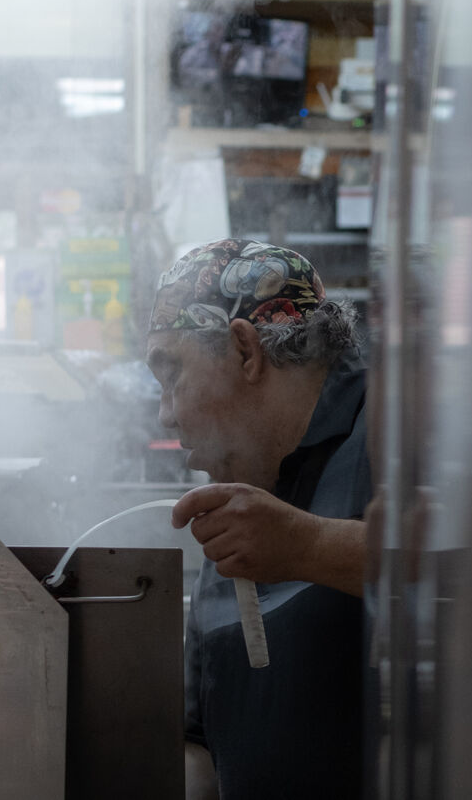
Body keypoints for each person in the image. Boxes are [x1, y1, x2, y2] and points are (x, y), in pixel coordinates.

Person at [147, 238, 371, 800]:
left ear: (245, 351)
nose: (166, 415)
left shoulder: (393, 432)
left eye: (172, 375)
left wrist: (307, 546)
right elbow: (200, 742)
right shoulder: (243, 479)